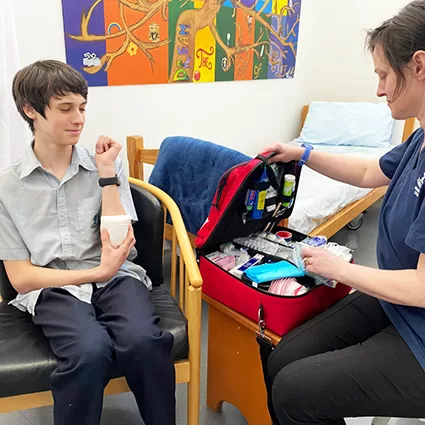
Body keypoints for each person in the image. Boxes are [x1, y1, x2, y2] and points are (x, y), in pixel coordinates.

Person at [261, 1, 425, 424]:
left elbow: (424, 288)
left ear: (419, 65)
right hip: (396, 302)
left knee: (295, 391)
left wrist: (340, 268)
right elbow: (370, 169)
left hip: (419, 330)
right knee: (284, 357)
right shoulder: (420, 140)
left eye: (384, 75)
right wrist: (303, 152)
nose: (379, 89)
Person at [0, 60, 175, 425]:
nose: (78, 118)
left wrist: (108, 174)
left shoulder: (103, 165)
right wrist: (95, 271)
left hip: (116, 276)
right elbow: (20, 278)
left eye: (82, 107)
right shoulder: (8, 188)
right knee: (88, 352)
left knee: (144, 342)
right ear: (31, 110)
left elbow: (118, 241)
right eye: (65, 109)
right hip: (53, 286)